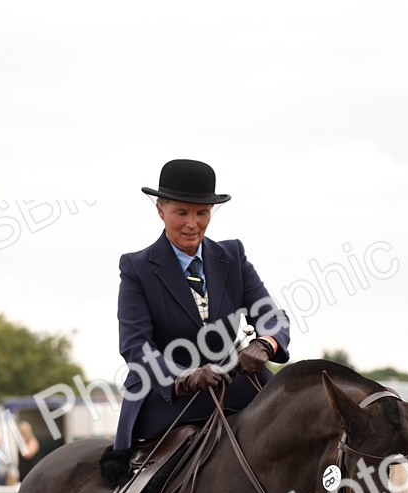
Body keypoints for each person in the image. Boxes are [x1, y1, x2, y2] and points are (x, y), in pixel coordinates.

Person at [113, 159, 291, 451]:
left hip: (230, 385)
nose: (192, 224)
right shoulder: (136, 268)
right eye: (181, 212)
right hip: (167, 396)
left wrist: (264, 344)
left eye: (201, 213)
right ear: (160, 210)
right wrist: (184, 377)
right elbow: (136, 346)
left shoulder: (233, 256)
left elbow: (271, 316)